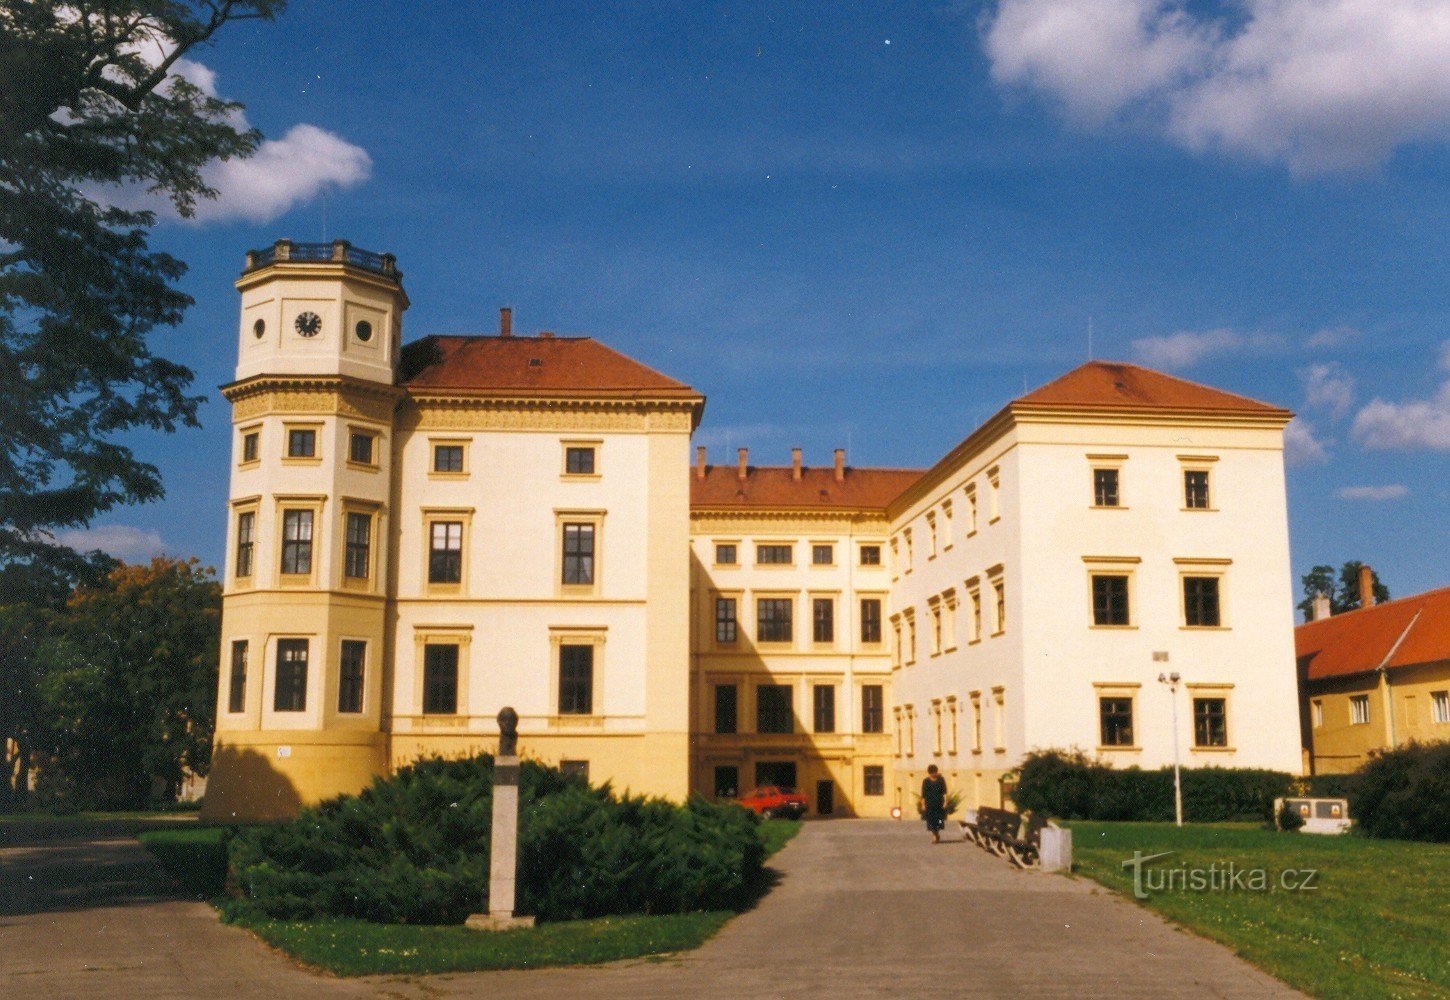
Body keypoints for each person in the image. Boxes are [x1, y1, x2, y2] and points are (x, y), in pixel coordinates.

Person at [920, 765, 948, 843]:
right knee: (931, 821)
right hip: (929, 804)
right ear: (929, 773)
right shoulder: (926, 781)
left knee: (939, 821)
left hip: (939, 804)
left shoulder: (941, 780)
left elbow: (944, 792)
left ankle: (937, 832)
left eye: (934, 772)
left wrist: (945, 802)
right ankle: (934, 835)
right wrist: (923, 804)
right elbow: (923, 794)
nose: (933, 774)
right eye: (931, 773)